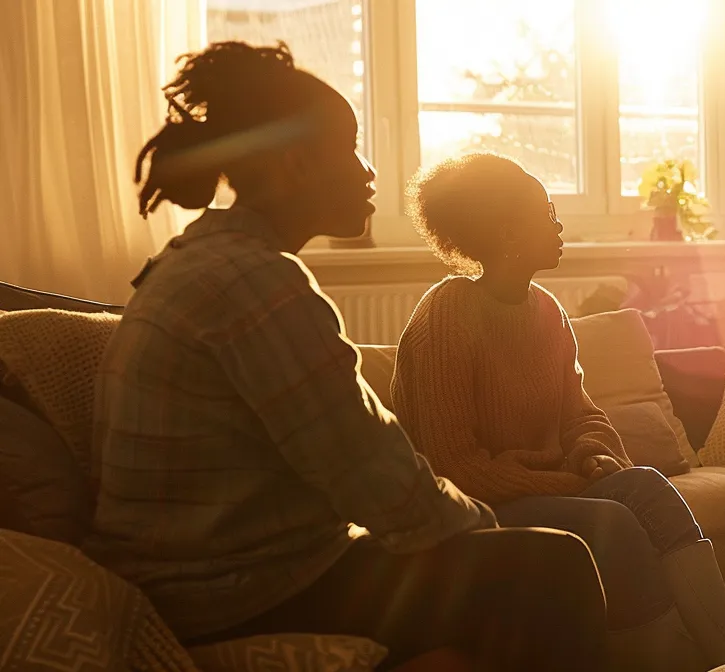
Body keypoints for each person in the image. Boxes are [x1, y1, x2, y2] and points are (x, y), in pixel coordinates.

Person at [84, 42, 607, 670]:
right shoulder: (255, 283)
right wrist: (488, 527)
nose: (368, 172)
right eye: (349, 147)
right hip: (234, 594)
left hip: (225, 578)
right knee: (556, 563)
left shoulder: (206, 259)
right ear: (294, 164)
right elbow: (379, 479)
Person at [388, 153, 725, 671]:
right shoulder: (446, 315)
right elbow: (455, 469)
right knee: (611, 520)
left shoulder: (546, 311)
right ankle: (663, 663)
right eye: (548, 213)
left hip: (548, 487)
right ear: (506, 232)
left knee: (648, 486)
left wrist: (593, 455)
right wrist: (568, 483)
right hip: (472, 507)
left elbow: (580, 414)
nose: (560, 227)